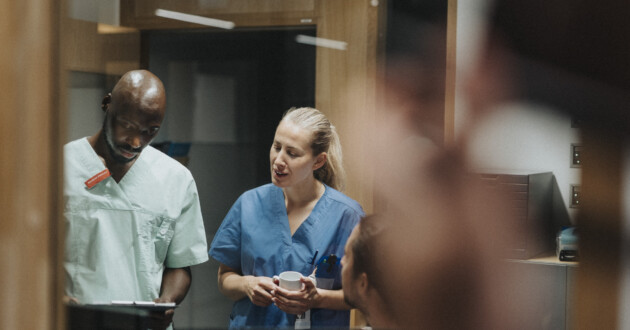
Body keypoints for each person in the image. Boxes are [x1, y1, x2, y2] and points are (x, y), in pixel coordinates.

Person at [63, 70, 209, 329]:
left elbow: (180, 266)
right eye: (127, 126)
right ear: (107, 104)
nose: (135, 141)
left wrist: (167, 301)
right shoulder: (59, 167)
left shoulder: (176, 179)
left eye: (150, 131)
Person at [209, 107, 364, 328]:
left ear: (318, 161)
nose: (279, 160)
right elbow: (225, 277)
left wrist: (318, 298)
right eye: (276, 147)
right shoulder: (249, 204)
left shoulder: (347, 216)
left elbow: (364, 295)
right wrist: (247, 284)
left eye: (292, 153)